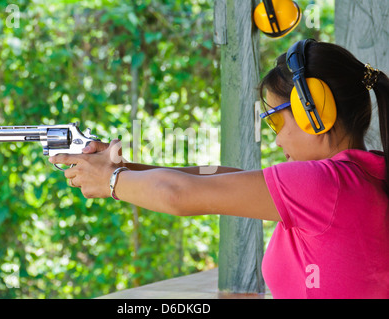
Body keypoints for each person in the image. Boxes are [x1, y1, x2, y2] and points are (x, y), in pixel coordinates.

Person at [49, 40, 389, 299]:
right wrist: (127, 167)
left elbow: (178, 194)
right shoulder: (363, 175)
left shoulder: (323, 183)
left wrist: (111, 181)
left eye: (273, 121)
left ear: (312, 110)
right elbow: (221, 176)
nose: (274, 140)